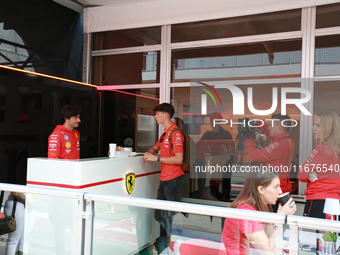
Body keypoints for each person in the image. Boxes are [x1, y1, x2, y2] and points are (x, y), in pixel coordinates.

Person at [219, 170, 296, 255]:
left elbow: (271, 239)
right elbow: (268, 252)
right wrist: (280, 218)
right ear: (261, 189)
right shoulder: (246, 212)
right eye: (276, 187)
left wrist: (278, 218)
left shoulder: (262, 206)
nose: (280, 191)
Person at [143, 103, 185, 255]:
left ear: (165, 115)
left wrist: (156, 158)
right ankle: (163, 246)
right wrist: (149, 153)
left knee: (168, 215)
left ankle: (166, 247)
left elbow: (179, 159)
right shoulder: (165, 134)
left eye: (157, 114)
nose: (155, 117)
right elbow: (155, 148)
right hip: (165, 179)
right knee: (160, 214)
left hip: (174, 179)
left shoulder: (175, 133)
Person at [47, 105, 81, 255]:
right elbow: (52, 163)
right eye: (76, 117)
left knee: (77, 225)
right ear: (67, 119)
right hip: (61, 190)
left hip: (75, 188)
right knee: (59, 226)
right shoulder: (56, 135)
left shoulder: (76, 134)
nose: (79, 120)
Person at [245, 114, 295, 212]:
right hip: (282, 187)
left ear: (280, 127)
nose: (268, 127)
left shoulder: (279, 145)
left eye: (271, 125)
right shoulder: (288, 140)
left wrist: (249, 139)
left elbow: (253, 156)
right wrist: (258, 123)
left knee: (270, 222)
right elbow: (271, 134)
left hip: (274, 190)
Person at [298, 111, 340, 219]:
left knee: (314, 235)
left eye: (318, 125)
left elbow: (301, 175)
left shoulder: (321, 148)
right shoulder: (336, 149)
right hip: (335, 201)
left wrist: (308, 173)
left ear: (328, 129)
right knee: (331, 235)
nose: (313, 128)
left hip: (318, 200)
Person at [195, 112, 235, 201]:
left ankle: (224, 202)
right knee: (220, 187)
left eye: (212, 120)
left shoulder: (212, 134)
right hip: (220, 162)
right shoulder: (215, 134)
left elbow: (198, 146)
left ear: (217, 121)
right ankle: (224, 201)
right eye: (210, 120)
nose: (210, 122)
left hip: (222, 162)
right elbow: (199, 146)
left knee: (222, 186)